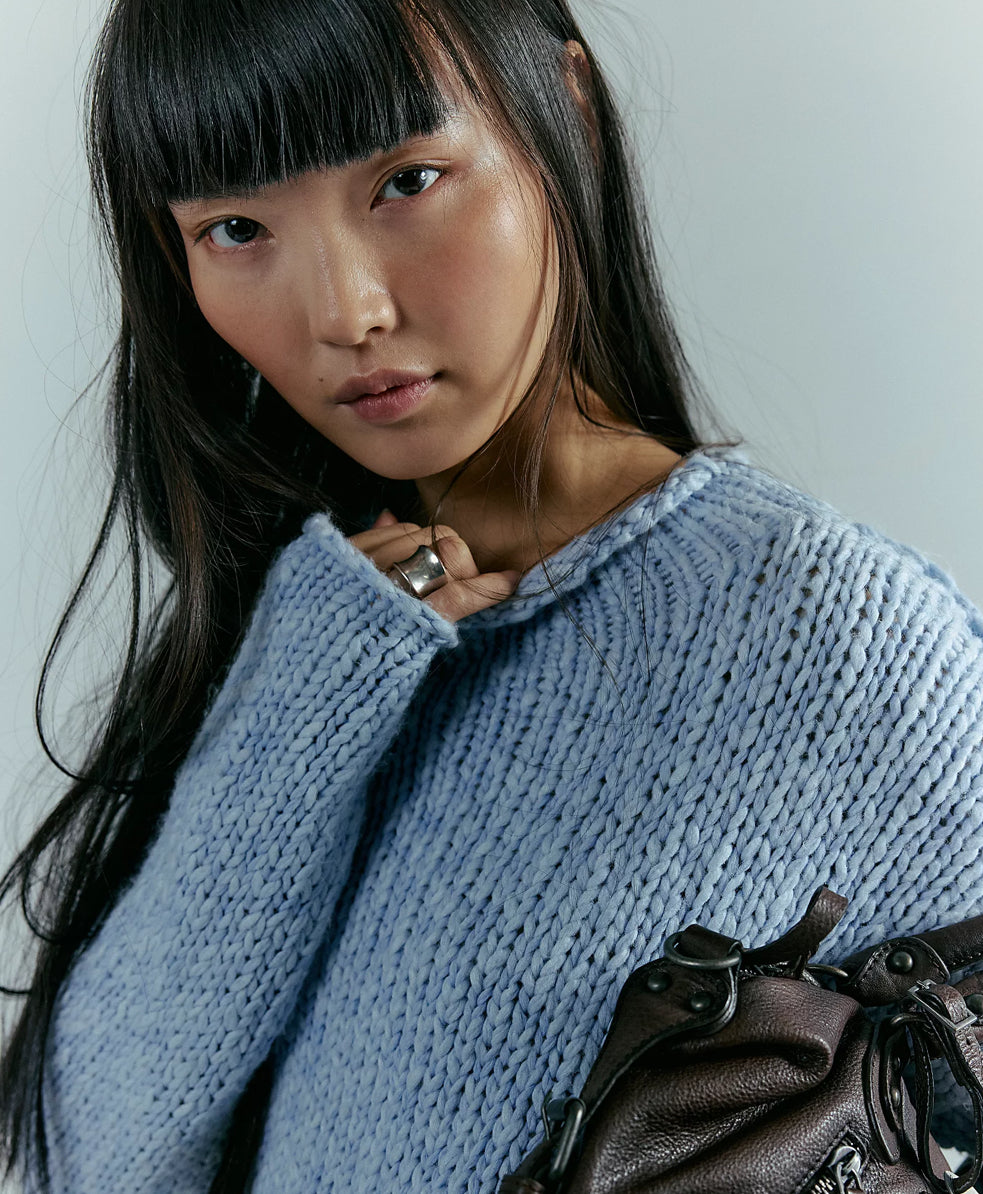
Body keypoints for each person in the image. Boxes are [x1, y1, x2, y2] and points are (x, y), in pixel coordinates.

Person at [2, 0, 982, 1190]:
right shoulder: (301, 626)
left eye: (406, 181)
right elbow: (91, 1162)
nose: (345, 312)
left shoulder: (849, 647)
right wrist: (303, 699)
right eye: (237, 228)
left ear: (565, 109)